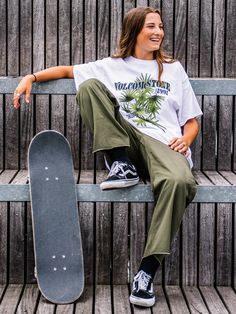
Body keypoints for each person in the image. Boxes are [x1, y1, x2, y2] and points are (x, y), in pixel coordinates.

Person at [13, 6, 202, 308]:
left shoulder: (173, 69)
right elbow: (66, 71)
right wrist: (31, 77)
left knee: (179, 181)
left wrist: (186, 138)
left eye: (161, 27)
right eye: (151, 26)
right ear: (135, 30)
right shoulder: (112, 66)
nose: (158, 33)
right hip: (128, 141)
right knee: (88, 87)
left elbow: (192, 120)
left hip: (163, 145)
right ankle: (119, 163)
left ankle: (146, 273)